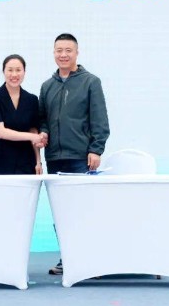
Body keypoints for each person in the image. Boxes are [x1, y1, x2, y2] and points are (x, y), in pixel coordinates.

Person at [38, 33, 110, 274]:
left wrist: (96, 149)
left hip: (81, 157)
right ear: (53, 53)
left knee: (84, 210)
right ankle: (68, 258)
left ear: (77, 53)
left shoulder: (91, 82)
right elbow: (43, 120)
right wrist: (44, 132)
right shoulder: (47, 86)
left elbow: (100, 119)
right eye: (59, 50)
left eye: (68, 50)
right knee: (61, 213)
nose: (63, 55)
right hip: (55, 158)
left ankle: (90, 260)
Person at [0, 54, 45, 175]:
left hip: (25, 158)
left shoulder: (32, 99)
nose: (14, 74)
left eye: (18, 70)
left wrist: (38, 161)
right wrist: (32, 137)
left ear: (24, 72)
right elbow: (1, 132)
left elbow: (33, 130)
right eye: (10, 70)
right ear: (3, 72)